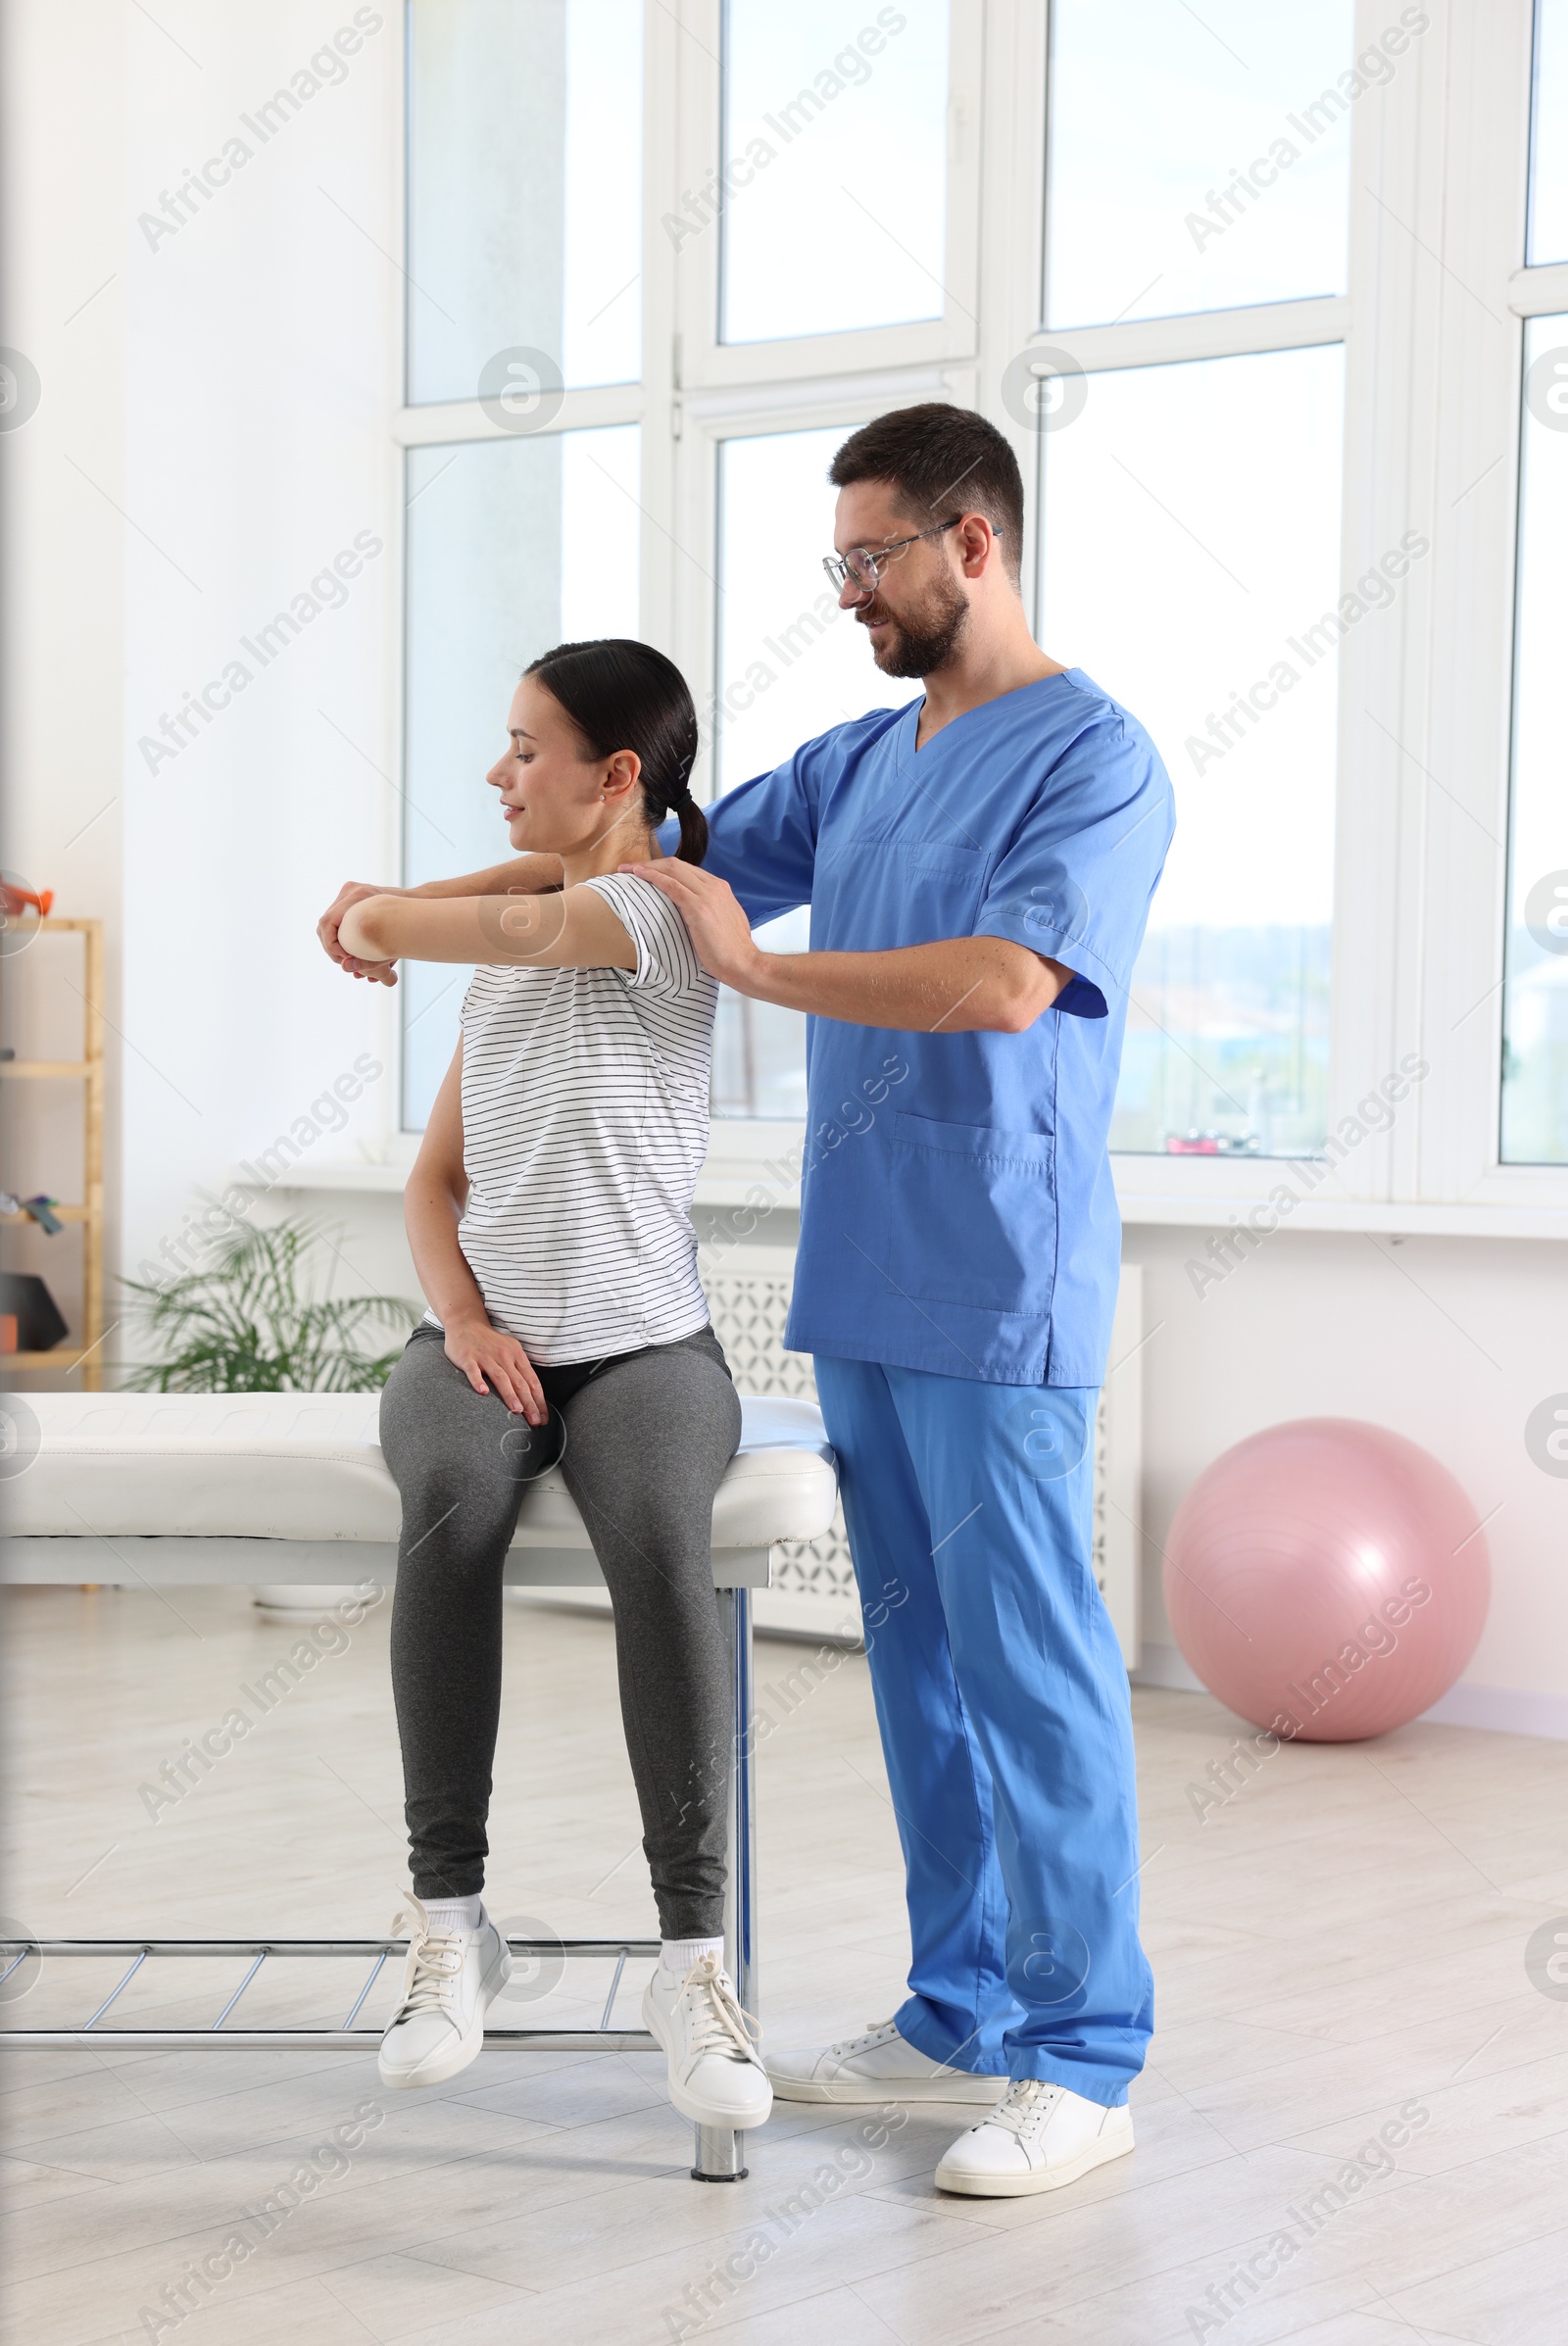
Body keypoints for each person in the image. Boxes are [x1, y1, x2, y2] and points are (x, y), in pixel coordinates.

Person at [320, 402, 1175, 2201]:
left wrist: (762, 972)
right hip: (864, 1275)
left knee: (1029, 1662)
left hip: (1001, 1276)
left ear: (975, 543)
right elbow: (622, 850)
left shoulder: (1093, 758)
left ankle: (1086, 2053)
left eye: (874, 558)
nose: (852, 590)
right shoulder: (862, 765)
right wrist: (397, 904)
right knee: (918, 1670)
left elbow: (1009, 985)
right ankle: (958, 2012)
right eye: (837, 561)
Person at [331, 637, 770, 2138]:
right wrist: (456, 1317)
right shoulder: (513, 951)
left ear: (617, 775)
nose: (499, 773)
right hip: (484, 1338)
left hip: (648, 1346)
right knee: (450, 1498)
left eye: (528, 749)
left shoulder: (659, 915)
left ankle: (692, 1962)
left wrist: (366, 911)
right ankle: (449, 1928)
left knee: (659, 1535)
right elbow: (435, 1178)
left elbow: (443, 916)